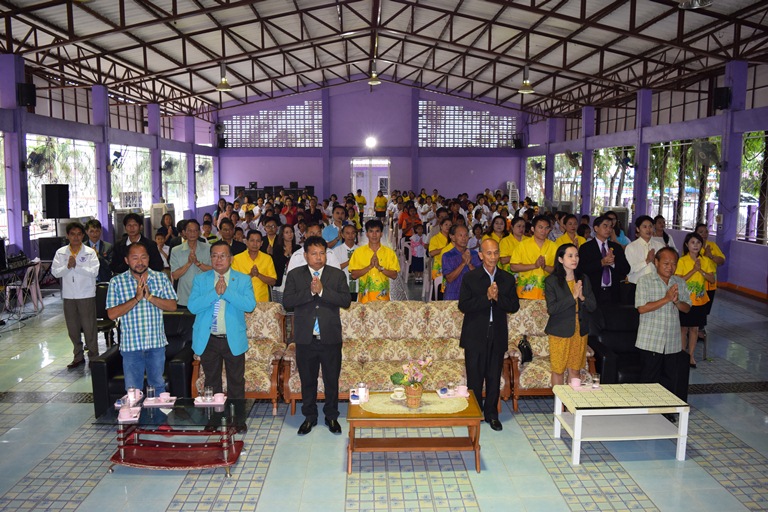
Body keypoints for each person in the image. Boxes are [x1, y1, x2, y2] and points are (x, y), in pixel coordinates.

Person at [283, 236, 352, 435]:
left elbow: (346, 300)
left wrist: (322, 292)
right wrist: (310, 292)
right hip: (305, 339)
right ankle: (310, 417)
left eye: (322, 253)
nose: (318, 257)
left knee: (331, 380)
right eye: (314, 253)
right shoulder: (295, 275)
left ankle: (331, 416)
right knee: (308, 380)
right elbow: (287, 302)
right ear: (305, 255)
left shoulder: (336, 275)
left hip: (330, 338)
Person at [458, 239, 519, 431]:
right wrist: (486, 298)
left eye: (496, 252)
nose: (493, 257)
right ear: (481, 255)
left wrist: (498, 297)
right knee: (474, 378)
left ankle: (492, 414)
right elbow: (464, 305)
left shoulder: (507, 278)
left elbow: (514, 306)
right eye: (488, 253)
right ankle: (475, 414)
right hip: (475, 334)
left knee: (493, 377)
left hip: (497, 333)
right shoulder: (471, 278)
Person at [188, 241, 257, 399]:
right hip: (208, 339)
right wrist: (214, 293)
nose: (218, 259)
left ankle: (236, 415)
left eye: (223, 256)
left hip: (233, 338)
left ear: (231, 259)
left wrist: (226, 292)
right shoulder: (200, 280)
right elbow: (193, 307)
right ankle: (214, 414)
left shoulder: (243, 279)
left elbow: (249, 305)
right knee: (211, 383)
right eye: (214, 256)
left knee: (236, 382)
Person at [106, 242, 178, 393]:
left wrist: (150, 297)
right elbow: (112, 314)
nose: (140, 262)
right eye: (135, 258)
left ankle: (158, 410)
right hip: (131, 346)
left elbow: (172, 306)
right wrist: (136, 299)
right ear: (127, 260)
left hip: (156, 344)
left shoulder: (160, 278)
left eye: (143, 257)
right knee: (133, 390)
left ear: (149, 258)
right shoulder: (117, 282)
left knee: (158, 386)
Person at [635, 247, 691, 395]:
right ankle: (646, 408)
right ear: (656, 262)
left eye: (674, 264)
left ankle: (666, 409)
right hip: (650, 342)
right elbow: (642, 308)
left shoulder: (679, 282)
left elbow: (687, 308)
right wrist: (666, 299)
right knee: (648, 384)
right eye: (666, 263)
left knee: (669, 384)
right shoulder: (645, 281)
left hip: (672, 343)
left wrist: (677, 302)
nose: (670, 267)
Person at [544, 244, 597, 386]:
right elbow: (552, 309)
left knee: (575, 370)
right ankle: (558, 401)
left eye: (576, 255)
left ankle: (571, 401)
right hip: (560, 330)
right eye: (570, 256)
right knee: (558, 371)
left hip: (580, 330)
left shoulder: (583, 278)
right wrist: (572, 297)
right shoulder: (551, 281)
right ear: (561, 259)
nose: (575, 259)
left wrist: (582, 297)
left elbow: (593, 306)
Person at [51, 222, 100, 369]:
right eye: (72, 234)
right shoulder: (61, 252)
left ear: (83, 235)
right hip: (69, 296)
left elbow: (94, 272)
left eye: (79, 234)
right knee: (72, 328)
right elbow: (55, 272)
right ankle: (78, 356)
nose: (76, 237)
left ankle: (94, 357)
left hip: (86, 295)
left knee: (89, 328)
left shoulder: (90, 252)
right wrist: (67, 266)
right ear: (67, 236)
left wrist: (76, 266)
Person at [675, 232, 716, 368]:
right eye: (692, 242)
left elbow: (712, 279)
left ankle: (691, 356)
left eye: (698, 242)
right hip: (685, 300)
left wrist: (701, 271)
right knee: (683, 329)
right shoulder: (682, 261)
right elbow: (679, 280)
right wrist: (693, 270)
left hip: (700, 300)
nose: (696, 245)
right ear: (687, 245)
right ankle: (682, 354)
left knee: (694, 329)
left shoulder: (706, 261)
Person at [577, 215, 630, 304]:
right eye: (605, 226)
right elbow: (581, 269)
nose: (608, 229)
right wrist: (601, 263)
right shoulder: (586, 247)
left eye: (611, 227)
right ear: (596, 228)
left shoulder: (616, 248)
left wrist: (613, 263)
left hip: (613, 293)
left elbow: (626, 269)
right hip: (593, 292)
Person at [349, 219, 400, 303]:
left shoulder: (389, 252)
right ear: (367, 234)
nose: (374, 235)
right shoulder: (358, 252)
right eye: (371, 231)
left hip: (383, 299)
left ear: (381, 234)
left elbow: (394, 275)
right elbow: (354, 275)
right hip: (364, 299)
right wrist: (369, 267)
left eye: (377, 231)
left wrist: (380, 268)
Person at [510, 216, 556, 300]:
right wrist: (534, 266)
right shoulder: (522, 245)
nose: (543, 231)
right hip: (525, 294)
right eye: (540, 227)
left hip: (547, 295)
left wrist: (545, 267)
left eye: (546, 228)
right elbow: (513, 267)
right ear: (532, 229)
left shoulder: (554, 247)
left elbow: (558, 271)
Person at [169, 219, 212, 307]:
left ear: (199, 232)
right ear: (184, 232)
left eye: (195, 231)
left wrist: (198, 263)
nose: (192, 233)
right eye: (189, 231)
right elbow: (175, 275)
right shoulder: (176, 250)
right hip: (184, 298)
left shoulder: (208, 248)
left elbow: (213, 270)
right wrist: (188, 263)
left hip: (204, 296)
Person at [694, 223, 725, 341]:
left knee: (706, 308)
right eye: (701, 232)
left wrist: (711, 256)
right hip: (697, 282)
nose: (704, 234)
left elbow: (721, 260)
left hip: (710, 283)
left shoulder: (712, 246)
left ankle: (700, 327)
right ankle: (696, 329)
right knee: (697, 306)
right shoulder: (693, 246)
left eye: (706, 232)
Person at [232, 230, 277, 302]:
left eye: (258, 241)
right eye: (252, 240)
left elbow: (273, 281)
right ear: (247, 242)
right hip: (242, 301)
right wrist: (251, 275)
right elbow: (233, 281)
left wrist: (258, 275)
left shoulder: (267, 258)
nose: (255, 244)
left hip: (262, 301)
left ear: (261, 243)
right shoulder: (237, 259)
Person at [441, 225, 481, 300]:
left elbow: (480, 276)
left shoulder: (474, 254)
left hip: (471, 295)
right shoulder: (448, 256)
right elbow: (449, 279)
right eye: (460, 235)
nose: (464, 238)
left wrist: (469, 264)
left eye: (466, 235)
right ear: (453, 237)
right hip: (453, 294)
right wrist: (463, 263)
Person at [626, 215, 665, 284]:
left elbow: (664, 267)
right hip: (636, 284)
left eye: (650, 226)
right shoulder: (631, 247)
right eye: (644, 227)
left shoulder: (660, 246)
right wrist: (647, 261)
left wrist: (654, 262)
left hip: (655, 284)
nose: (648, 229)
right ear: (638, 229)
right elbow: (629, 269)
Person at [271, 224, 301, 304]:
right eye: (286, 232)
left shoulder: (298, 248)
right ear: (282, 235)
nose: (290, 234)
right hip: (281, 281)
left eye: (291, 232)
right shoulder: (277, 248)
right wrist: (286, 254)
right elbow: (277, 265)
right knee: (280, 307)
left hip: (295, 281)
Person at [332, 224, 360, 301]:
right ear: (342, 235)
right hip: (343, 287)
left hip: (358, 286)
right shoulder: (336, 250)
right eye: (347, 233)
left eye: (353, 233)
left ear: (355, 234)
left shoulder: (360, 250)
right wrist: (348, 262)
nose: (350, 236)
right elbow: (334, 269)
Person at [84, 218, 113, 282]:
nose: (95, 234)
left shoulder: (108, 246)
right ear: (86, 232)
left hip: (103, 281)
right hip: (86, 281)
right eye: (92, 231)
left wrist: (98, 256)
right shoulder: (82, 247)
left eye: (97, 231)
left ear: (101, 231)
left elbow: (110, 266)